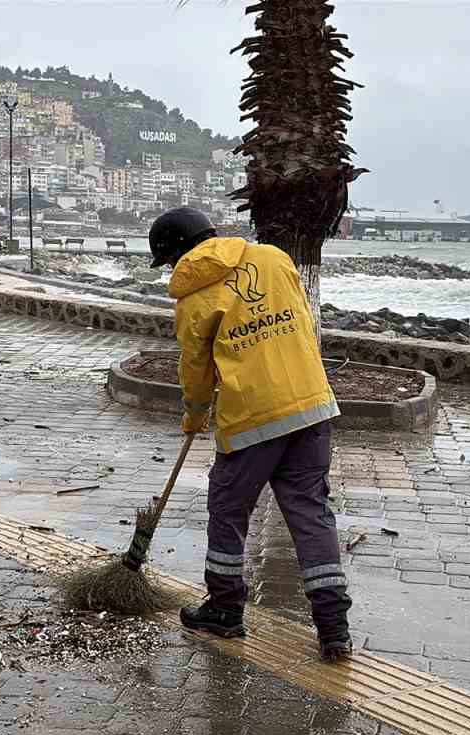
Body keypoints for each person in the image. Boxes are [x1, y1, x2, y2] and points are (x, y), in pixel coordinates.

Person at [148, 207, 353, 662]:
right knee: (310, 514)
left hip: (251, 419)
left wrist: (195, 414)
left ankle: (224, 610)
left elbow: (195, 370)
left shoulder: (191, 300)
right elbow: (301, 319)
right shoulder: (274, 259)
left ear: (177, 253)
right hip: (311, 405)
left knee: (227, 510)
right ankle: (334, 627)